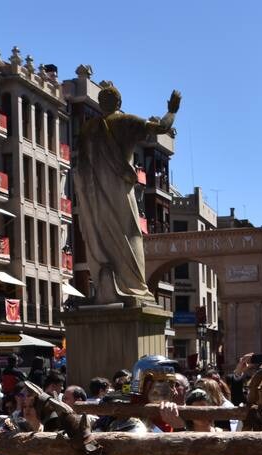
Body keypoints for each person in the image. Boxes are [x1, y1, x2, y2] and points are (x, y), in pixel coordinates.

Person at [71, 81, 178, 303]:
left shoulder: (87, 130)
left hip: (95, 196)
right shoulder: (125, 121)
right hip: (119, 190)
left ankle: (107, 285)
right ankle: (134, 286)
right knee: (131, 234)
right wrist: (171, 111)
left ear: (100, 104)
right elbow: (161, 128)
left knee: (104, 236)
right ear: (119, 103)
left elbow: (79, 168)